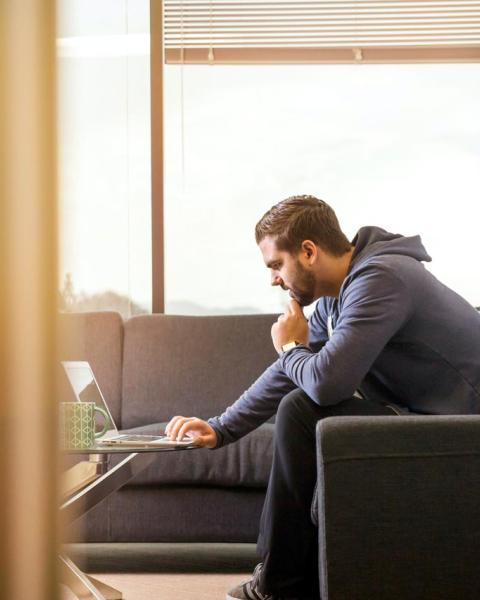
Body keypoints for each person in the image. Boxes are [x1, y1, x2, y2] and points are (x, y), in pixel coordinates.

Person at [165, 195, 480, 600]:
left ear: (309, 251)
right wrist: (221, 427)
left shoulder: (382, 279)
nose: (273, 280)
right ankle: (285, 579)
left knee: (302, 409)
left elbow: (326, 381)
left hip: (463, 432)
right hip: (424, 420)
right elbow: (290, 372)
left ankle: (279, 585)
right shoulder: (337, 297)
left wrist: (290, 348)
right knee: (302, 406)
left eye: (276, 265)